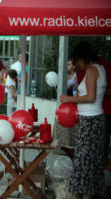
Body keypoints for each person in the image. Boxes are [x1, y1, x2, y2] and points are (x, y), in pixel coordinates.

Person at [59, 41, 106, 199]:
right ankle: (89, 194)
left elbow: (91, 97)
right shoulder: (101, 69)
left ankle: (86, 196)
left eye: (78, 60)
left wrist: (70, 99)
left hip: (91, 121)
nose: (77, 64)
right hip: (94, 119)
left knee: (84, 160)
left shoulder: (92, 70)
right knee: (91, 160)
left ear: (84, 57)